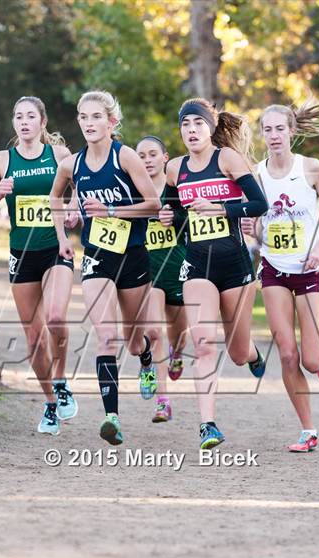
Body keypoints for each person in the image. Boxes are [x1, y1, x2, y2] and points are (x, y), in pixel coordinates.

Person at [50, 90, 160, 445]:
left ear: (111, 122)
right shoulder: (72, 165)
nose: (88, 123)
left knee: (131, 339)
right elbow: (55, 196)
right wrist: (62, 235)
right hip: (97, 254)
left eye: (96, 116)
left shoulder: (125, 156)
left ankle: (145, 358)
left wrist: (111, 212)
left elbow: (154, 204)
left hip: (133, 254)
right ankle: (112, 416)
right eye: (83, 117)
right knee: (106, 336)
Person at [159, 97, 268, 449]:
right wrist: (168, 216)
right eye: (185, 124)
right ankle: (208, 425)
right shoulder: (175, 169)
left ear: (210, 127)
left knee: (236, 352)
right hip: (197, 265)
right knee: (204, 343)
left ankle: (251, 352)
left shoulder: (227, 159)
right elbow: (175, 214)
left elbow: (258, 204)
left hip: (235, 265)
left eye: (198, 123)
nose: (191, 130)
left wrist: (220, 208)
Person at [242, 95, 319, 452]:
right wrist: (250, 229)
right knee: (286, 354)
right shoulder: (255, 175)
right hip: (273, 269)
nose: (273, 135)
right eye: (267, 129)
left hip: (308, 270)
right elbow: (257, 227)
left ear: (291, 132)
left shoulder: (310, 167)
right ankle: (308, 430)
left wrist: (318, 250)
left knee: (311, 359)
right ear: (262, 134)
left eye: (279, 129)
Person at [0, 96, 78, 436]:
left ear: (42, 122)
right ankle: (50, 403)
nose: (23, 121)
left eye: (30, 116)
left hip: (56, 248)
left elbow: (83, 185)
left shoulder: (60, 156)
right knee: (34, 338)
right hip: (22, 253)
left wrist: (75, 206)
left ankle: (61, 380)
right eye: (18, 116)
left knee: (57, 317)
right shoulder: (1, 160)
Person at [136, 136, 188, 423]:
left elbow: (194, 221)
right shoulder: (133, 190)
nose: (147, 159)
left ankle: (177, 353)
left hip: (179, 268)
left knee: (179, 334)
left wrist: (175, 219)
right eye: (141, 155)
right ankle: (163, 401)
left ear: (165, 157)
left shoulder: (177, 188)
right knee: (154, 331)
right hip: (149, 270)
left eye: (152, 154)